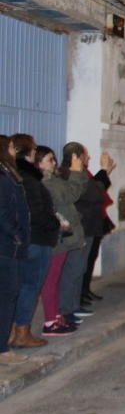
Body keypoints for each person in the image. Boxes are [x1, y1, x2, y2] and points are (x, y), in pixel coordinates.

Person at [10, 134, 59, 348]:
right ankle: (22, 332)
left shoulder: (13, 175)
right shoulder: (29, 179)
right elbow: (36, 213)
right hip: (36, 239)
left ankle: (14, 330)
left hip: (20, 239)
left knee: (19, 286)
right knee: (31, 286)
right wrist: (54, 225)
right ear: (30, 152)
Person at [41, 143, 89, 336]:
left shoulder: (53, 178)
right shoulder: (46, 182)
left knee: (59, 276)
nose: (54, 163)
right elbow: (70, 194)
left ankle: (56, 316)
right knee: (52, 280)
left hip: (64, 234)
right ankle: (52, 319)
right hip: (57, 237)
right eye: (49, 160)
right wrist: (77, 172)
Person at [66, 149, 115, 320]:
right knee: (76, 267)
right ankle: (71, 304)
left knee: (84, 264)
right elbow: (94, 193)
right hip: (84, 225)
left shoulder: (82, 174)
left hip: (92, 224)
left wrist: (104, 172)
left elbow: (97, 189)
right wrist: (103, 171)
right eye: (85, 155)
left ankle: (81, 295)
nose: (89, 157)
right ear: (75, 157)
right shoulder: (73, 175)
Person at [0, 135, 29, 364]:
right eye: (10, 146)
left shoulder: (8, 173)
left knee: (9, 294)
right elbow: (3, 213)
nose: (13, 150)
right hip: (6, 246)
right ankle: (1, 346)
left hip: (11, 244)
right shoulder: (2, 177)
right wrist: (16, 235)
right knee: (7, 295)